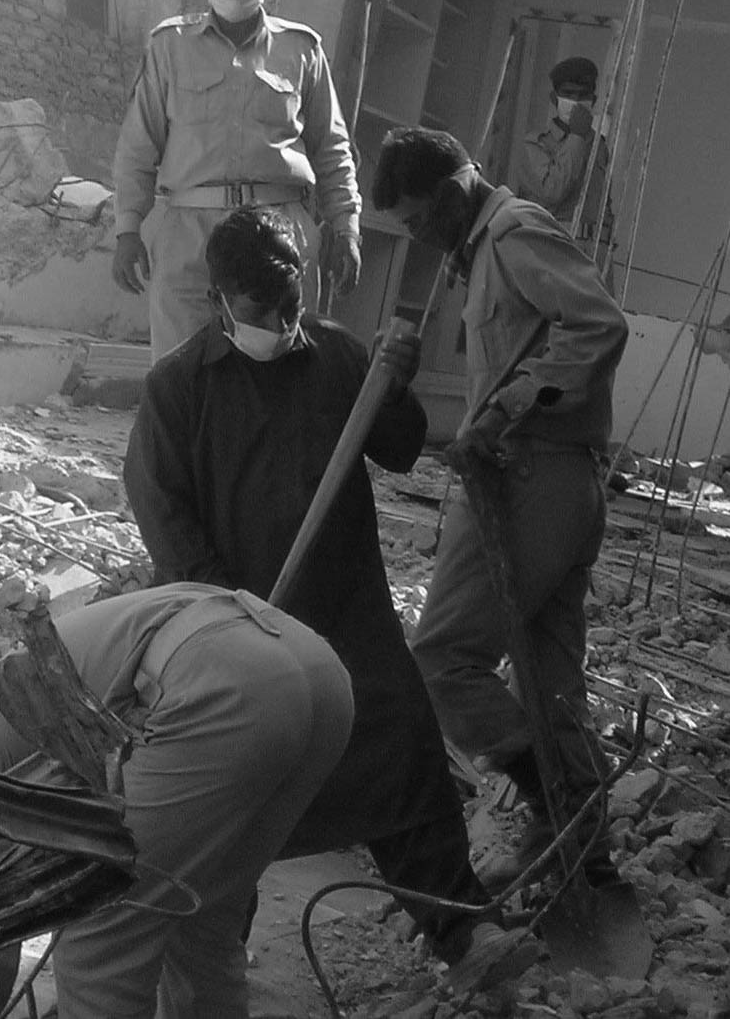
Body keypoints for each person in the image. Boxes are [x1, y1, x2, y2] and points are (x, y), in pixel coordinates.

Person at [123, 204, 538, 990]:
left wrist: (397, 382)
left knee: (402, 760)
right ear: (220, 299)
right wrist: (226, 613)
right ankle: (210, 960)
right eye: (259, 307)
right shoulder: (180, 387)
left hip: (348, 615)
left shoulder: (342, 359)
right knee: (237, 796)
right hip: (238, 628)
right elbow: (162, 511)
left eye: (291, 298)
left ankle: (463, 931)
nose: (280, 318)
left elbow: (404, 447)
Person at [0, 582, 354, 1019]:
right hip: (316, 671)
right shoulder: (17, 689)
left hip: (224, 683)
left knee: (104, 925)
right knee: (200, 919)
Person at [371, 126, 629, 887]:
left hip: (531, 477)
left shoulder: (514, 233)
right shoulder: (481, 251)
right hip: (554, 478)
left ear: (453, 194)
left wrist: (505, 407)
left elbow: (599, 324)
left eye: (419, 220)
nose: (417, 237)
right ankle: (589, 858)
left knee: (442, 660)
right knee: (550, 683)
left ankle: (556, 798)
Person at [112, 0, 362, 362]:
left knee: (283, 369)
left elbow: (332, 150)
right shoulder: (170, 47)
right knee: (180, 370)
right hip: (190, 230)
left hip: (279, 229)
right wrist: (127, 230)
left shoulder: (301, 50)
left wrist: (347, 228)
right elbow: (138, 147)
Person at [517, 56, 616, 285]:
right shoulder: (536, 143)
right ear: (555, 98)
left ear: (593, 100)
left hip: (596, 250)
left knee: (602, 318)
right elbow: (552, 191)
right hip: (556, 245)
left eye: (583, 95)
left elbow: (603, 201)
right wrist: (576, 137)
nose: (575, 101)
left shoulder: (599, 146)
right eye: (568, 94)